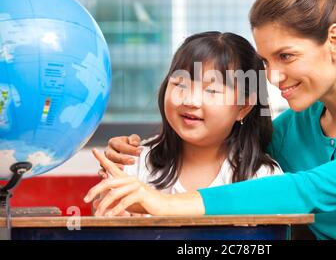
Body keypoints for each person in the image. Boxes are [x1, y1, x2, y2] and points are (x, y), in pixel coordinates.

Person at [85, 0, 336, 239]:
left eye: (286, 56)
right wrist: (143, 149)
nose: (273, 77)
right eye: (265, 61)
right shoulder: (290, 129)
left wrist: (163, 205)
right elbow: (223, 140)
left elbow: (308, 190)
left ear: (334, 41)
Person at [89, 31, 282, 217]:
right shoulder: (135, 164)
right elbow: (103, 218)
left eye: (212, 91)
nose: (190, 100)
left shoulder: (262, 177)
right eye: (180, 84)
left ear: (243, 107)